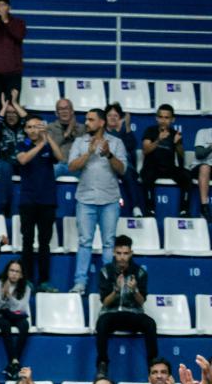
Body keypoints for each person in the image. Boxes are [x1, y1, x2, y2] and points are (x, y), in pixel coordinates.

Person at [68, 108, 128, 295]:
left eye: (91, 120)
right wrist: (89, 153)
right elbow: (71, 167)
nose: (86, 123)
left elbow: (123, 170)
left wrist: (109, 155)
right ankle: (80, 284)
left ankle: (110, 284)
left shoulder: (116, 143)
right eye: (86, 119)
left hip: (110, 199)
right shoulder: (79, 142)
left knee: (109, 243)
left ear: (101, 122)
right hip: (85, 199)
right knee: (85, 241)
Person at [94, 234, 157, 377]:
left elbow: (141, 301)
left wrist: (134, 290)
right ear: (114, 253)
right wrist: (116, 290)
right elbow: (105, 302)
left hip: (133, 313)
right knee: (102, 323)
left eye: (126, 254)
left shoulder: (140, 272)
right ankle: (102, 364)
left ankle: (153, 365)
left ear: (131, 253)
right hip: (111, 313)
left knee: (150, 323)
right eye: (119, 253)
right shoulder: (106, 272)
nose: (122, 257)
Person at [15, 108, 63, 292]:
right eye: (30, 127)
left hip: (47, 201)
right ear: (26, 130)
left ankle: (44, 281)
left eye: (37, 126)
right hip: (28, 201)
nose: (33, 130)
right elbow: (24, 160)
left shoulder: (47, 144)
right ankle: (26, 280)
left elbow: (60, 158)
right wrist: (41, 146)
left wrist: (48, 137)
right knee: (27, 242)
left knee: (44, 243)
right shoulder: (22, 145)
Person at [141, 103, 193, 216]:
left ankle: (184, 210)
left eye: (166, 117)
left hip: (169, 168)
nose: (163, 120)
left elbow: (182, 156)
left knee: (187, 176)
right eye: (161, 117)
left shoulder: (175, 133)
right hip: (152, 167)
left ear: (172, 119)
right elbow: (145, 150)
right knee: (146, 175)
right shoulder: (150, 131)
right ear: (156, 118)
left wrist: (178, 143)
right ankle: (150, 210)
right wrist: (158, 140)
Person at [0, 259, 32, 378]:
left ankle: (13, 362)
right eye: (12, 270)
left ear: (21, 275)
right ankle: (15, 362)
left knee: (25, 325)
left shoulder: (26, 288)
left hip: (15, 316)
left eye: (17, 271)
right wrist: (2, 296)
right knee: (5, 324)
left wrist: (9, 297)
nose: (14, 273)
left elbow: (21, 308)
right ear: (7, 271)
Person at [0, 95, 24, 220]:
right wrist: (3, 108)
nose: (11, 115)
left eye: (14, 112)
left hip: (21, 162)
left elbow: (29, 119)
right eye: (8, 113)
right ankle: (5, 205)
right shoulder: (0, 127)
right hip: (3, 162)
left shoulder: (25, 128)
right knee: (5, 167)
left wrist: (14, 102)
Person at [105, 103, 143, 217]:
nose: (112, 118)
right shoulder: (101, 132)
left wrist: (126, 126)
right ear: (105, 118)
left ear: (120, 118)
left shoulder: (124, 132)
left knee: (129, 174)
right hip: (106, 164)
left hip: (123, 164)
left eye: (115, 115)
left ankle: (136, 207)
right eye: (109, 115)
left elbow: (131, 146)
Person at [194, 125, 212, 221]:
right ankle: (204, 207)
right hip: (200, 166)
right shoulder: (203, 132)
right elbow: (199, 154)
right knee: (205, 167)